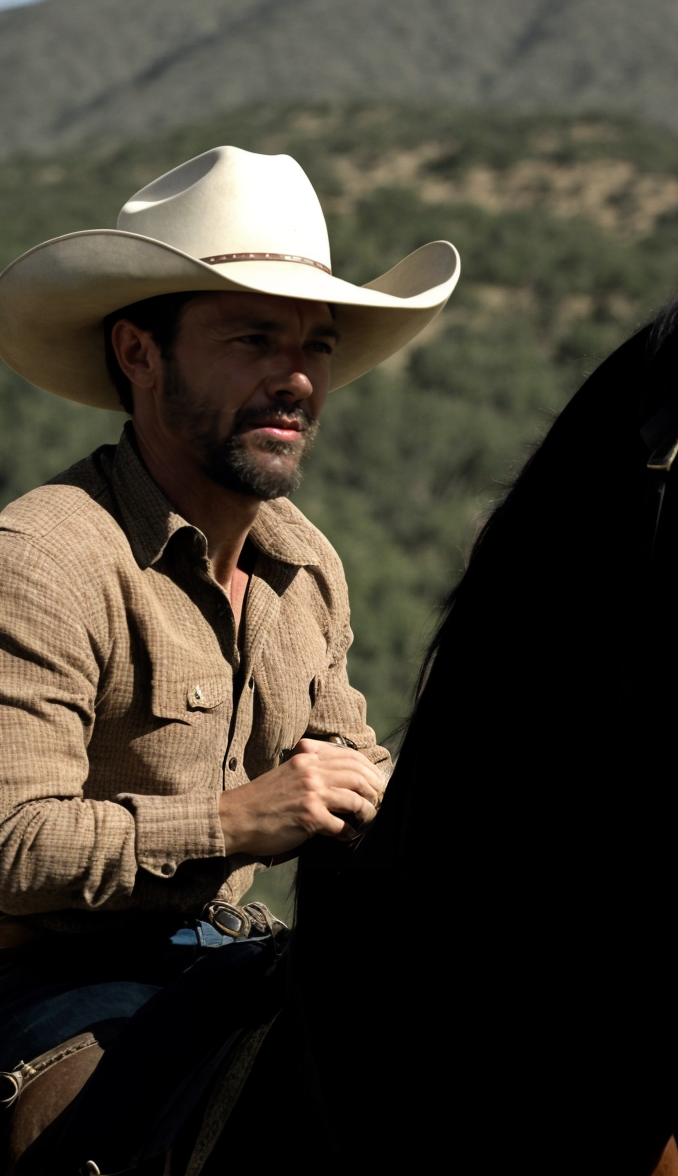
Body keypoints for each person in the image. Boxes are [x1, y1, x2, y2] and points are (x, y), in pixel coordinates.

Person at [0, 145, 459, 1165]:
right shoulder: (45, 558)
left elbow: (345, 768)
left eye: (316, 346)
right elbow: (9, 842)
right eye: (252, 338)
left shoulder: (305, 562)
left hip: (227, 962)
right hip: (42, 990)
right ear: (138, 352)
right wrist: (234, 821)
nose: (295, 378)